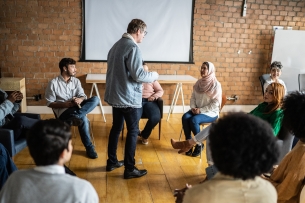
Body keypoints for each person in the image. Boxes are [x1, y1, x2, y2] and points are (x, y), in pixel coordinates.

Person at [171, 83, 285, 165]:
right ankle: (211, 169)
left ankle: (188, 144)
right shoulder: (262, 105)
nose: (266, 94)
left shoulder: (278, 113)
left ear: (277, 95)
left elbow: (272, 133)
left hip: (252, 137)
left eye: (270, 92)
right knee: (213, 132)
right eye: (266, 91)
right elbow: (249, 115)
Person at [176, 113, 279, 203]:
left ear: (216, 152)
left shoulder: (198, 195)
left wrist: (183, 200)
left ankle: (189, 144)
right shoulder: (269, 191)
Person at [104, 19, 159, 179]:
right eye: (144, 33)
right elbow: (139, 75)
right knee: (133, 131)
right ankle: (129, 168)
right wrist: (155, 75)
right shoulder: (133, 47)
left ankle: (112, 162)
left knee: (116, 128)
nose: (144, 36)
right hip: (128, 98)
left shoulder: (116, 45)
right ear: (138, 31)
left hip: (116, 97)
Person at [0, 119, 99, 203]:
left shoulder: (15, 180)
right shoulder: (83, 189)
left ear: (31, 150)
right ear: (64, 153)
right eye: (70, 144)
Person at [45, 58, 99, 159]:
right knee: (83, 119)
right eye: (73, 67)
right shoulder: (53, 83)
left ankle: (76, 116)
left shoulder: (76, 81)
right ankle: (89, 148)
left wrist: (80, 99)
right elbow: (49, 103)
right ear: (64, 68)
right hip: (64, 111)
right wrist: (65, 105)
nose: (75, 69)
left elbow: (83, 95)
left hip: (77, 108)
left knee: (96, 99)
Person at [264, 91, 305, 203]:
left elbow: (283, 194)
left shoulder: (302, 155)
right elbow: (290, 172)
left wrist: (258, 178)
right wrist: (275, 169)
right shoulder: (302, 142)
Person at [181, 61, 222, 157]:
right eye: (201, 68)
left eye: (205, 68)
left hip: (210, 112)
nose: (202, 70)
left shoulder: (216, 84)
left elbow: (215, 104)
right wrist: (193, 107)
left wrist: (201, 110)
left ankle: (199, 144)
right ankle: (189, 144)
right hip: (196, 109)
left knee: (194, 120)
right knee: (185, 117)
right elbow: (193, 98)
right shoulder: (198, 83)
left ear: (210, 70)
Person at [139, 63, 164, 145]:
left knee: (156, 117)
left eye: (146, 71)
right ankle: (136, 133)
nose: (145, 73)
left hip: (149, 101)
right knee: (132, 118)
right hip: (137, 102)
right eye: (143, 71)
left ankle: (144, 135)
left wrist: (154, 97)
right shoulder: (135, 78)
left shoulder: (152, 79)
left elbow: (160, 90)